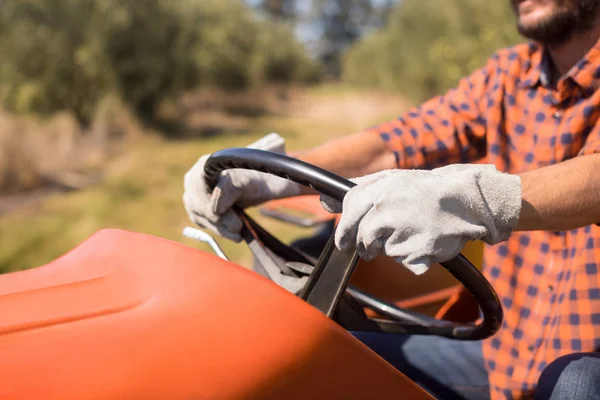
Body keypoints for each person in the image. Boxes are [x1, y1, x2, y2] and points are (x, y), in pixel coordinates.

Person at [183, 0, 600, 398]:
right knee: (312, 353)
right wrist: (265, 176)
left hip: (585, 361)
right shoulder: (509, 74)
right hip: (503, 357)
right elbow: (395, 143)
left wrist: (475, 199)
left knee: (577, 381)